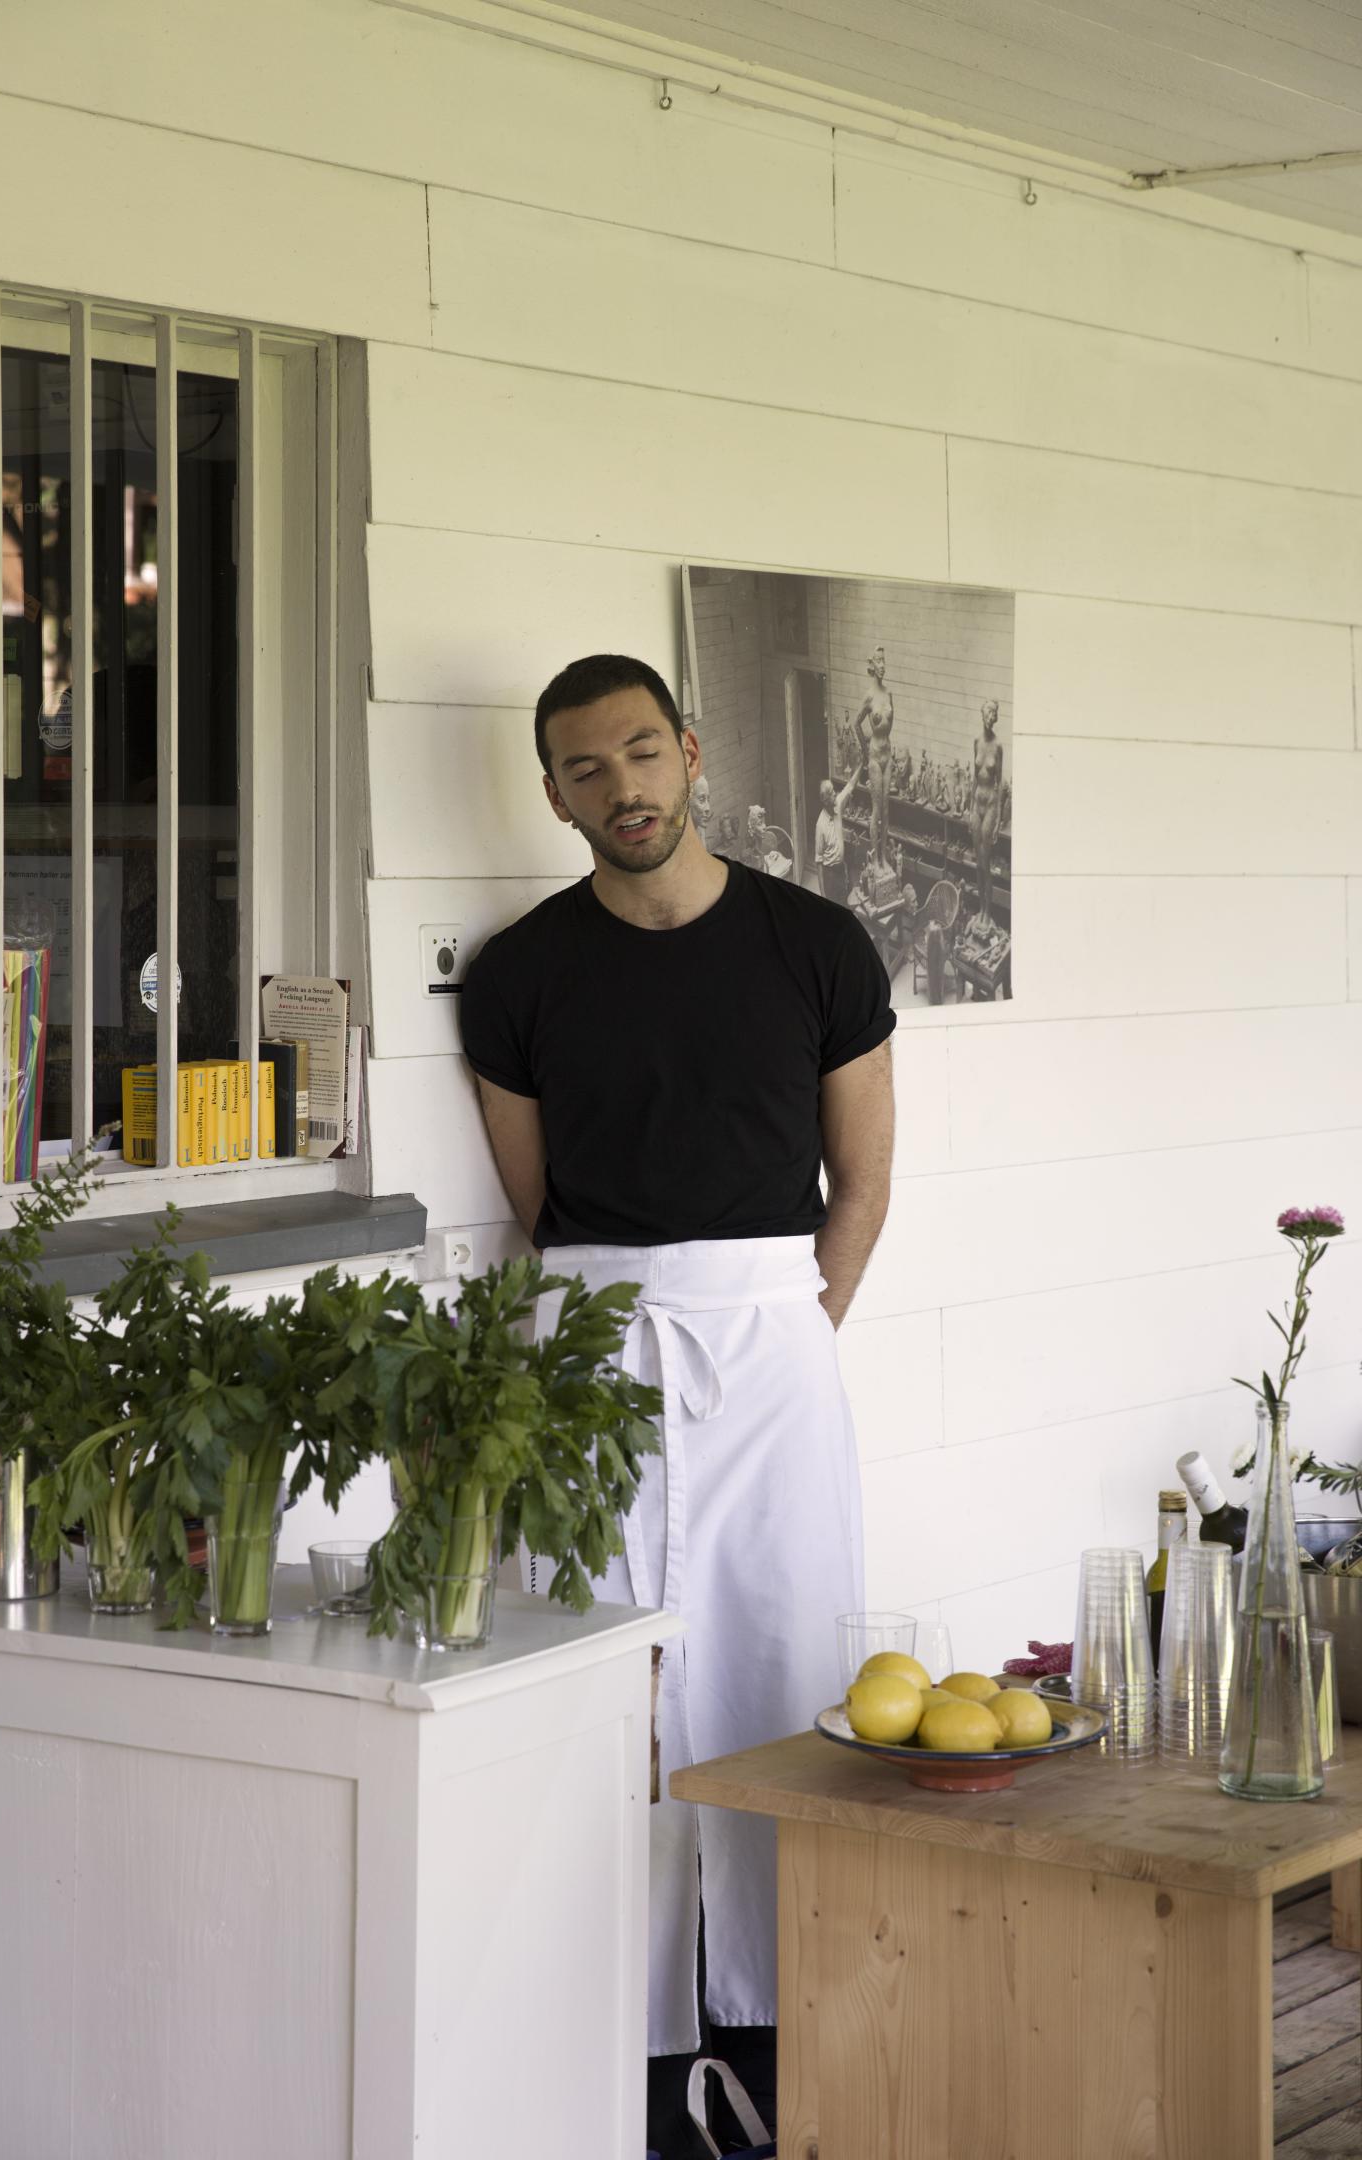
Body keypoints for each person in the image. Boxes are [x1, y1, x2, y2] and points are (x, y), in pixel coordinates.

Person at [460, 654, 896, 2160]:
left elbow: (865, 1188)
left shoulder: (818, 943)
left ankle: (780, 2041)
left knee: (781, 1666)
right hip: (593, 1343)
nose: (623, 789)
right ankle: (634, 2059)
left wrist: (778, 1325)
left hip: (773, 1340)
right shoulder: (518, 975)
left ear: (692, 753)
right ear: (555, 791)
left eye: (642, 752)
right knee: (609, 1684)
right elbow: (539, 1207)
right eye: (587, 769)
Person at [854, 645, 894, 871]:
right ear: (872, 665)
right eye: (878, 661)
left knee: (887, 809)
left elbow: (890, 725)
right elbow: (856, 723)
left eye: (884, 661)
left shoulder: (888, 694)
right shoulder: (869, 696)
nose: (882, 665)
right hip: (875, 757)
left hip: (887, 755)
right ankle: (876, 858)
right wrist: (864, 747)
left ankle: (884, 856)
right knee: (876, 810)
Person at [972, 699, 1004, 929]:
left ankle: (986, 911)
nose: (990, 716)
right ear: (982, 714)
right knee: (977, 862)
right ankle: (979, 908)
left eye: (993, 713)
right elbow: (974, 777)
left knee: (986, 862)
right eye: (987, 711)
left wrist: (998, 820)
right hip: (976, 805)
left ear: (995, 717)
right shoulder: (976, 741)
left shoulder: (998, 746)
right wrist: (968, 809)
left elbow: (999, 783)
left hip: (991, 805)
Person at [813, 763, 863, 903]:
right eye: (831, 792)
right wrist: (822, 894)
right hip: (830, 875)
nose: (835, 793)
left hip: (841, 870)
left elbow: (850, 785)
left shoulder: (838, 805)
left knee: (844, 902)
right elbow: (818, 862)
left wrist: (862, 762)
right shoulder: (820, 825)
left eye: (833, 790)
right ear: (824, 799)